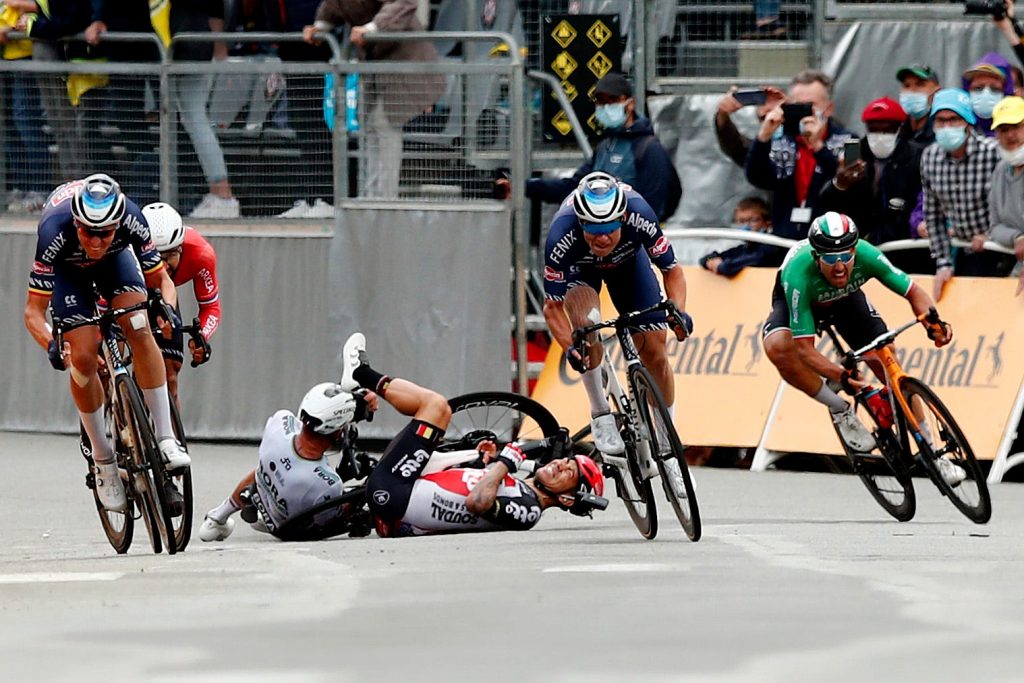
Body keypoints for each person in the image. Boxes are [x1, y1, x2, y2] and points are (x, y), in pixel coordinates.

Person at [200, 333, 606, 540]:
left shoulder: (530, 510)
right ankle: (360, 380)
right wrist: (480, 461)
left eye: (568, 471)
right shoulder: (521, 487)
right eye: (566, 459)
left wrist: (505, 460)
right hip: (398, 494)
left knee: (438, 410)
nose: (559, 462)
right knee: (435, 419)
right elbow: (476, 487)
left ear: (567, 498)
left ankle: (361, 374)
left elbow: (478, 500)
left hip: (393, 496)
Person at [23, 174, 191, 513]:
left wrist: (168, 310)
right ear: (76, 222)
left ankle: (165, 438)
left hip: (117, 265)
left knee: (139, 323)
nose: (97, 241)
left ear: (118, 224)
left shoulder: (131, 218)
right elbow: (32, 312)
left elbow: (161, 280)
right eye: (88, 232)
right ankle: (103, 461)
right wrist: (51, 345)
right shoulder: (54, 232)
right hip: (69, 274)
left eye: (105, 233)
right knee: (83, 358)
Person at [760, 212, 962, 484]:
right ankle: (839, 407)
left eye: (846, 256)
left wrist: (933, 323)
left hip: (846, 302)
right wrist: (841, 377)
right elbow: (805, 350)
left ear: (855, 249)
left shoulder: (867, 255)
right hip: (803, 303)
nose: (840, 265)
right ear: (817, 257)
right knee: (778, 348)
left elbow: (913, 292)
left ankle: (933, 452)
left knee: (889, 365)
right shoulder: (799, 274)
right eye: (831, 259)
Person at [542, 171, 691, 456]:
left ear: (622, 218)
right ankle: (600, 413)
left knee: (655, 351)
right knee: (587, 326)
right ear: (581, 223)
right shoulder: (561, 234)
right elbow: (553, 308)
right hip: (580, 271)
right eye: (593, 230)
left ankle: (666, 438)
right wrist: (571, 347)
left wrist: (678, 311)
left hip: (628, 265)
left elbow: (672, 270)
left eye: (609, 227)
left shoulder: (640, 214)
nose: (602, 237)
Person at [303, 0, 444, 200]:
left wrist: (373, 27)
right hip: (372, 61)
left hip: (403, 58)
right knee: (369, 126)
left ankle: (384, 201)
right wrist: (319, 27)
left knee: (385, 124)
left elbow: (404, 3)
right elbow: (332, 7)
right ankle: (370, 197)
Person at [517, 73, 682, 223]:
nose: (606, 107)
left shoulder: (649, 148)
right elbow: (573, 188)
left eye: (612, 100)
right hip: (600, 240)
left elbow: (651, 210)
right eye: (601, 102)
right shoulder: (605, 147)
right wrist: (523, 186)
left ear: (630, 104)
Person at [818, 97, 929, 273]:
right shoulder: (855, 154)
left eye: (887, 130)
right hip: (856, 255)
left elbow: (917, 205)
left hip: (904, 255)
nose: (880, 137)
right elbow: (826, 205)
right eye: (874, 130)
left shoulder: (918, 157)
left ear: (900, 129)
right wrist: (839, 184)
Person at [745, 69, 853, 244]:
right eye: (797, 105)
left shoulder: (849, 141)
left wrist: (818, 147)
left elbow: (850, 190)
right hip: (784, 241)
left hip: (831, 242)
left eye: (810, 105)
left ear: (828, 109)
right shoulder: (779, 140)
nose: (803, 112)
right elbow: (757, 178)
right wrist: (763, 138)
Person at [920, 88, 1007, 301]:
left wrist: (992, 235)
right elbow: (933, 215)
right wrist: (943, 262)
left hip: (1001, 251)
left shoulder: (993, 152)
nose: (947, 126)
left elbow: (1012, 203)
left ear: (967, 122)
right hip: (961, 250)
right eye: (940, 120)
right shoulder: (930, 157)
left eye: (954, 120)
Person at [142, 202, 221, 406]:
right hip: (134, 287)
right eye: (156, 259)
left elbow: (210, 307)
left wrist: (201, 335)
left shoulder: (201, 254)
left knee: (170, 377)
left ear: (181, 247)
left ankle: (171, 437)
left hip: (165, 296)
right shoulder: (126, 252)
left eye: (170, 256)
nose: (164, 266)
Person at [170, 1, 241, 219]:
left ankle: (222, 194)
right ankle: (219, 193)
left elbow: (215, 9)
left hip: (186, 44)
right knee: (190, 118)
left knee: (195, 118)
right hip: (190, 42)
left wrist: (219, 47)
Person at [987, 96, 1024, 295]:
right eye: (1004, 129)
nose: (1011, 135)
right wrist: (1017, 237)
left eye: (1017, 126)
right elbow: (995, 227)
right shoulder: (1000, 171)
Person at [699, 196, 776, 277]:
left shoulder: (770, 249)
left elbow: (733, 265)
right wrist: (710, 261)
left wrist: (721, 265)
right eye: (741, 221)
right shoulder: (743, 249)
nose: (746, 226)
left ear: (768, 223)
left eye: (753, 220)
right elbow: (705, 259)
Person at [714, 84, 786, 169]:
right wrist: (723, 113)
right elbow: (734, 146)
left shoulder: (799, 144)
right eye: (764, 118)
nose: (773, 118)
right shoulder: (758, 154)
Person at [962, 53, 1013, 137]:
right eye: (978, 88)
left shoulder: (1017, 131)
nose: (986, 94)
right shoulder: (958, 130)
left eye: (994, 89)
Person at [896, 63, 940, 146]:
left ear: (936, 91)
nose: (912, 90)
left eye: (920, 84)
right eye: (907, 85)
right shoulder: (896, 132)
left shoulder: (941, 133)